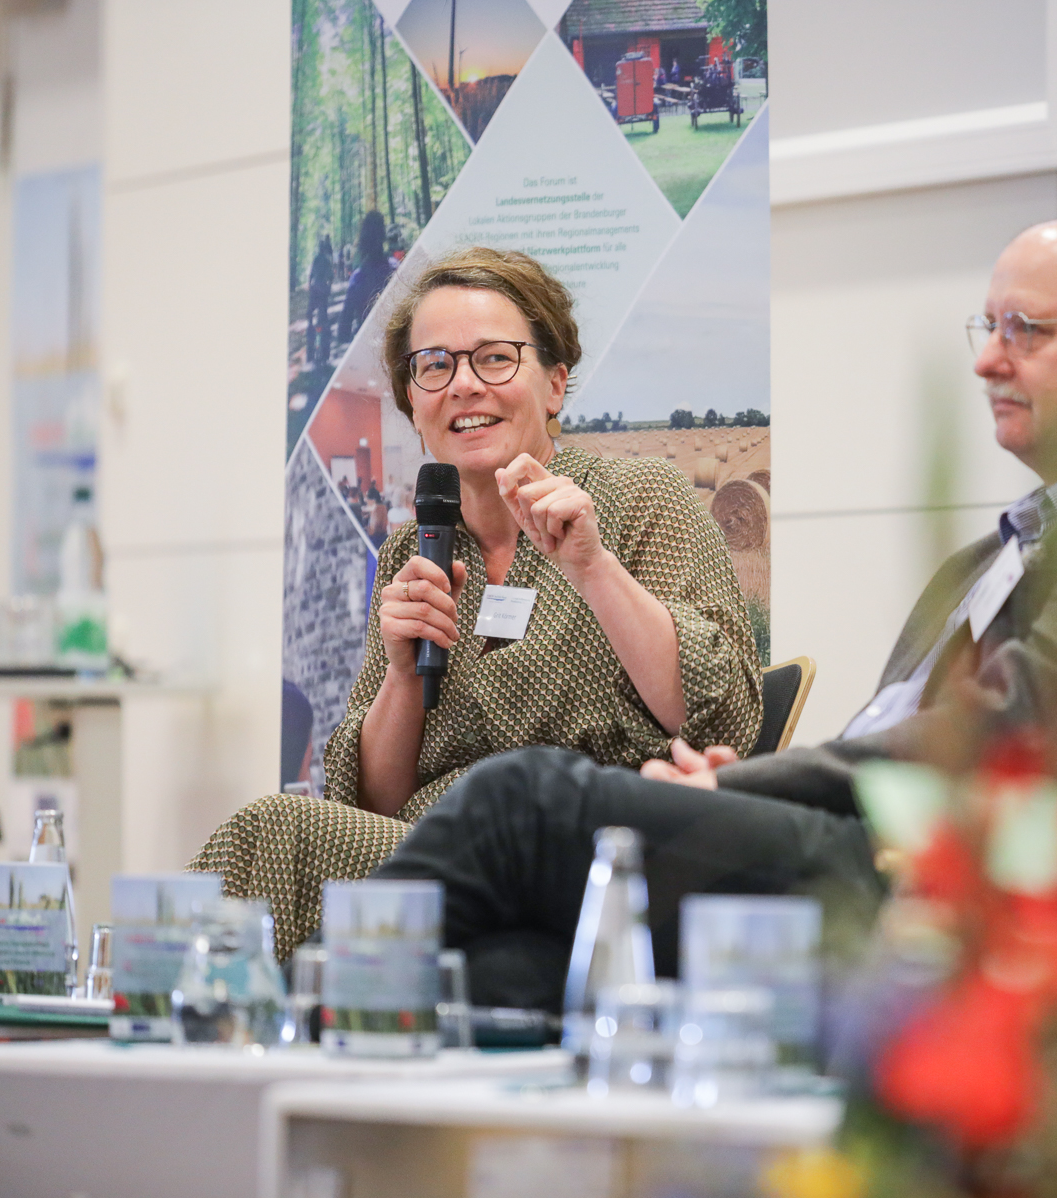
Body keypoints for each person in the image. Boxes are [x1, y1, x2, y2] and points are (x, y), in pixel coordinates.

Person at [370, 215, 1057, 1009]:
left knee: (523, 800)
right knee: (511, 971)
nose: (988, 359)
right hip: (864, 848)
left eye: (1026, 330)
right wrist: (747, 782)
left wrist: (742, 789)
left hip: (934, 879)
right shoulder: (986, 557)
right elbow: (901, 733)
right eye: (989, 327)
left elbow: (1016, 733)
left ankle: (312, 1008)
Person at [193, 246, 763, 956]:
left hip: (588, 856)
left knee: (277, 830)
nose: (463, 385)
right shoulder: (413, 552)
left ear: (554, 384)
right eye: (434, 365)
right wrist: (403, 677)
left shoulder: (642, 501)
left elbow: (725, 718)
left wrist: (594, 569)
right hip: (434, 857)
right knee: (296, 838)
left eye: (494, 359)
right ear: (414, 404)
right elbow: (368, 805)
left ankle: (171, 1003)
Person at [336, 210, 394, 345]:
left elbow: (343, 331)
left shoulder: (358, 279)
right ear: (383, 236)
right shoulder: (397, 270)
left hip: (367, 346)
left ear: (363, 240)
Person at [306, 235, 333, 366]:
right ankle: (324, 350)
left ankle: (310, 332)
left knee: (310, 313)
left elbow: (311, 274)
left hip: (315, 287)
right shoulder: (327, 260)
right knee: (323, 316)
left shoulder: (316, 259)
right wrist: (329, 287)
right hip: (323, 288)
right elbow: (331, 276)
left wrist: (310, 285)